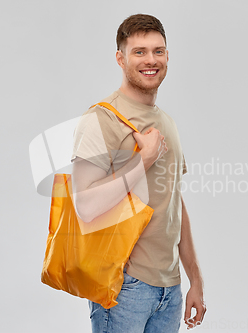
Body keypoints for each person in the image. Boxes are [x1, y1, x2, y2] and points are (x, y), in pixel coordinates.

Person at [70, 13, 206, 332]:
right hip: (125, 288)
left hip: (170, 290)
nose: (151, 60)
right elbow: (85, 206)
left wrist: (194, 280)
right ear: (121, 58)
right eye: (139, 51)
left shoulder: (167, 122)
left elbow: (174, 203)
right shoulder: (100, 120)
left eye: (158, 51)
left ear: (167, 56)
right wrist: (142, 161)